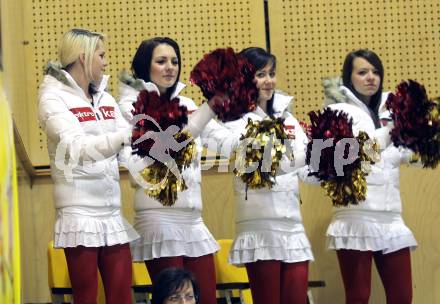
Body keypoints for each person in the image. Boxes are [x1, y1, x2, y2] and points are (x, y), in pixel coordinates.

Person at [203, 47, 314, 304]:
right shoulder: (234, 121)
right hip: (260, 227)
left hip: (293, 226)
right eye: (260, 74)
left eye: (272, 73)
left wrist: (335, 166)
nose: (269, 81)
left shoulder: (288, 119)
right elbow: (263, 163)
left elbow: (308, 171)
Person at [38, 28, 139, 304]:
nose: (106, 62)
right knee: (86, 298)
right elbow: (77, 148)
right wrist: (129, 134)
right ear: (83, 57)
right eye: (101, 55)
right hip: (78, 214)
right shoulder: (51, 98)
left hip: (112, 212)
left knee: (122, 297)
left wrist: (144, 167)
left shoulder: (105, 98)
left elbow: (127, 146)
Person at [118, 37, 219, 304]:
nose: (170, 67)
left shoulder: (187, 104)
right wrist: (212, 105)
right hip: (158, 218)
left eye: (174, 61)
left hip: (193, 218)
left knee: (206, 298)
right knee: (173, 300)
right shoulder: (131, 107)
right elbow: (164, 147)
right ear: (145, 67)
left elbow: (222, 138)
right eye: (161, 61)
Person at [324, 49, 417, 304]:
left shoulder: (389, 110)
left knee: (402, 297)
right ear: (348, 77)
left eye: (376, 72)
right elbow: (345, 156)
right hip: (356, 216)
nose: (370, 78)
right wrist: (392, 132)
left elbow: (401, 155)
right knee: (358, 297)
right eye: (362, 72)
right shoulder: (335, 111)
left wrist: (419, 140)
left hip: (391, 216)